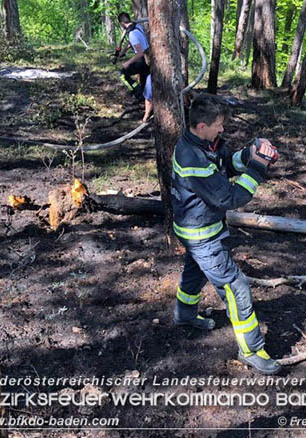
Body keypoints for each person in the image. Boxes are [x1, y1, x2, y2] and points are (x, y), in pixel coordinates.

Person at [171, 93, 281, 375]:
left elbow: (226, 163)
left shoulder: (202, 143)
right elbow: (228, 198)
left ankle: (184, 315)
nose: (222, 129)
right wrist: (258, 167)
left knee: (194, 270)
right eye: (218, 124)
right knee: (237, 288)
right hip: (203, 236)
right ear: (201, 126)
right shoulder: (191, 157)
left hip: (192, 231)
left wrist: (250, 153)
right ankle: (252, 350)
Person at [117, 12, 150, 97]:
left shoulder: (132, 34)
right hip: (148, 58)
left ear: (121, 23)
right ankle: (142, 96)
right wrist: (123, 52)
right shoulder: (137, 27)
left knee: (123, 74)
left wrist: (127, 63)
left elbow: (140, 53)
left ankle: (135, 90)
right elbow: (131, 43)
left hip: (142, 60)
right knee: (143, 80)